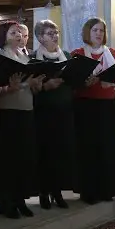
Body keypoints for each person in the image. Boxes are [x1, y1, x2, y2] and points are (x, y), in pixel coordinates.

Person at [71, 17, 115, 204]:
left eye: (102, 31)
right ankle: (88, 191)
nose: (99, 34)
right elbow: (71, 82)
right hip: (85, 105)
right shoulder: (77, 53)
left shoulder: (112, 53)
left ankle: (107, 189)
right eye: (95, 30)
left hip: (106, 104)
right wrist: (83, 83)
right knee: (88, 148)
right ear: (87, 32)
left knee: (107, 146)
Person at [0, 21, 42, 218]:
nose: (19, 36)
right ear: (4, 35)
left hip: (26, 109)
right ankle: (6, 202)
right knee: (9, 159)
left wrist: (36, 84)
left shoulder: (26, 56)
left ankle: (20, 199)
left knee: (24, 157)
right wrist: (24, 85)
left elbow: (33, 88)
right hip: (8, 111)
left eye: (22, 34)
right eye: (14, 33)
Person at [31, 19, 75, 210]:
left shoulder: (66, 56)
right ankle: (43, 192)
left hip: (64, 110)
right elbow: (30, 89)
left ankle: (57, 191)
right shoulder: (33, 59)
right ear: (40, 37)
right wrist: (45, 87)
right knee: (45, 153)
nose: (55, 36)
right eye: (50, 33)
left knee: (60, 152)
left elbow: (73, 81)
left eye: (56, 32)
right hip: (43, 112)